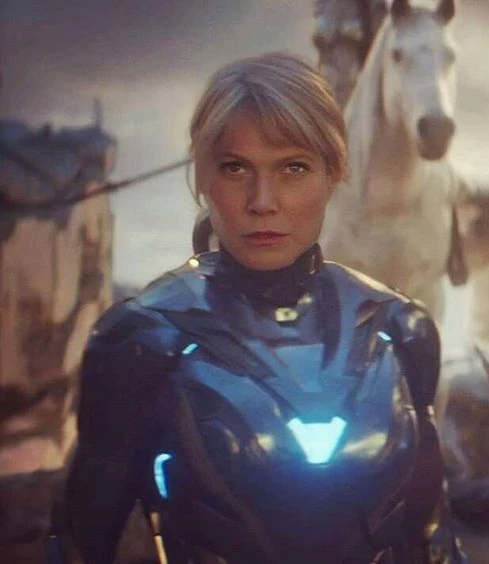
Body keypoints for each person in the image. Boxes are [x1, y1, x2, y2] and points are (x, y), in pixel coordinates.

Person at [61, 52, 467, 564]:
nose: (263, 201)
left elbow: (433, 540)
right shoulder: (141, 340)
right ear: (204, 178)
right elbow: (77, 546)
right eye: (235, 168)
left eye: (293, 168)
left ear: (334, 172)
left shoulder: (401, 330)